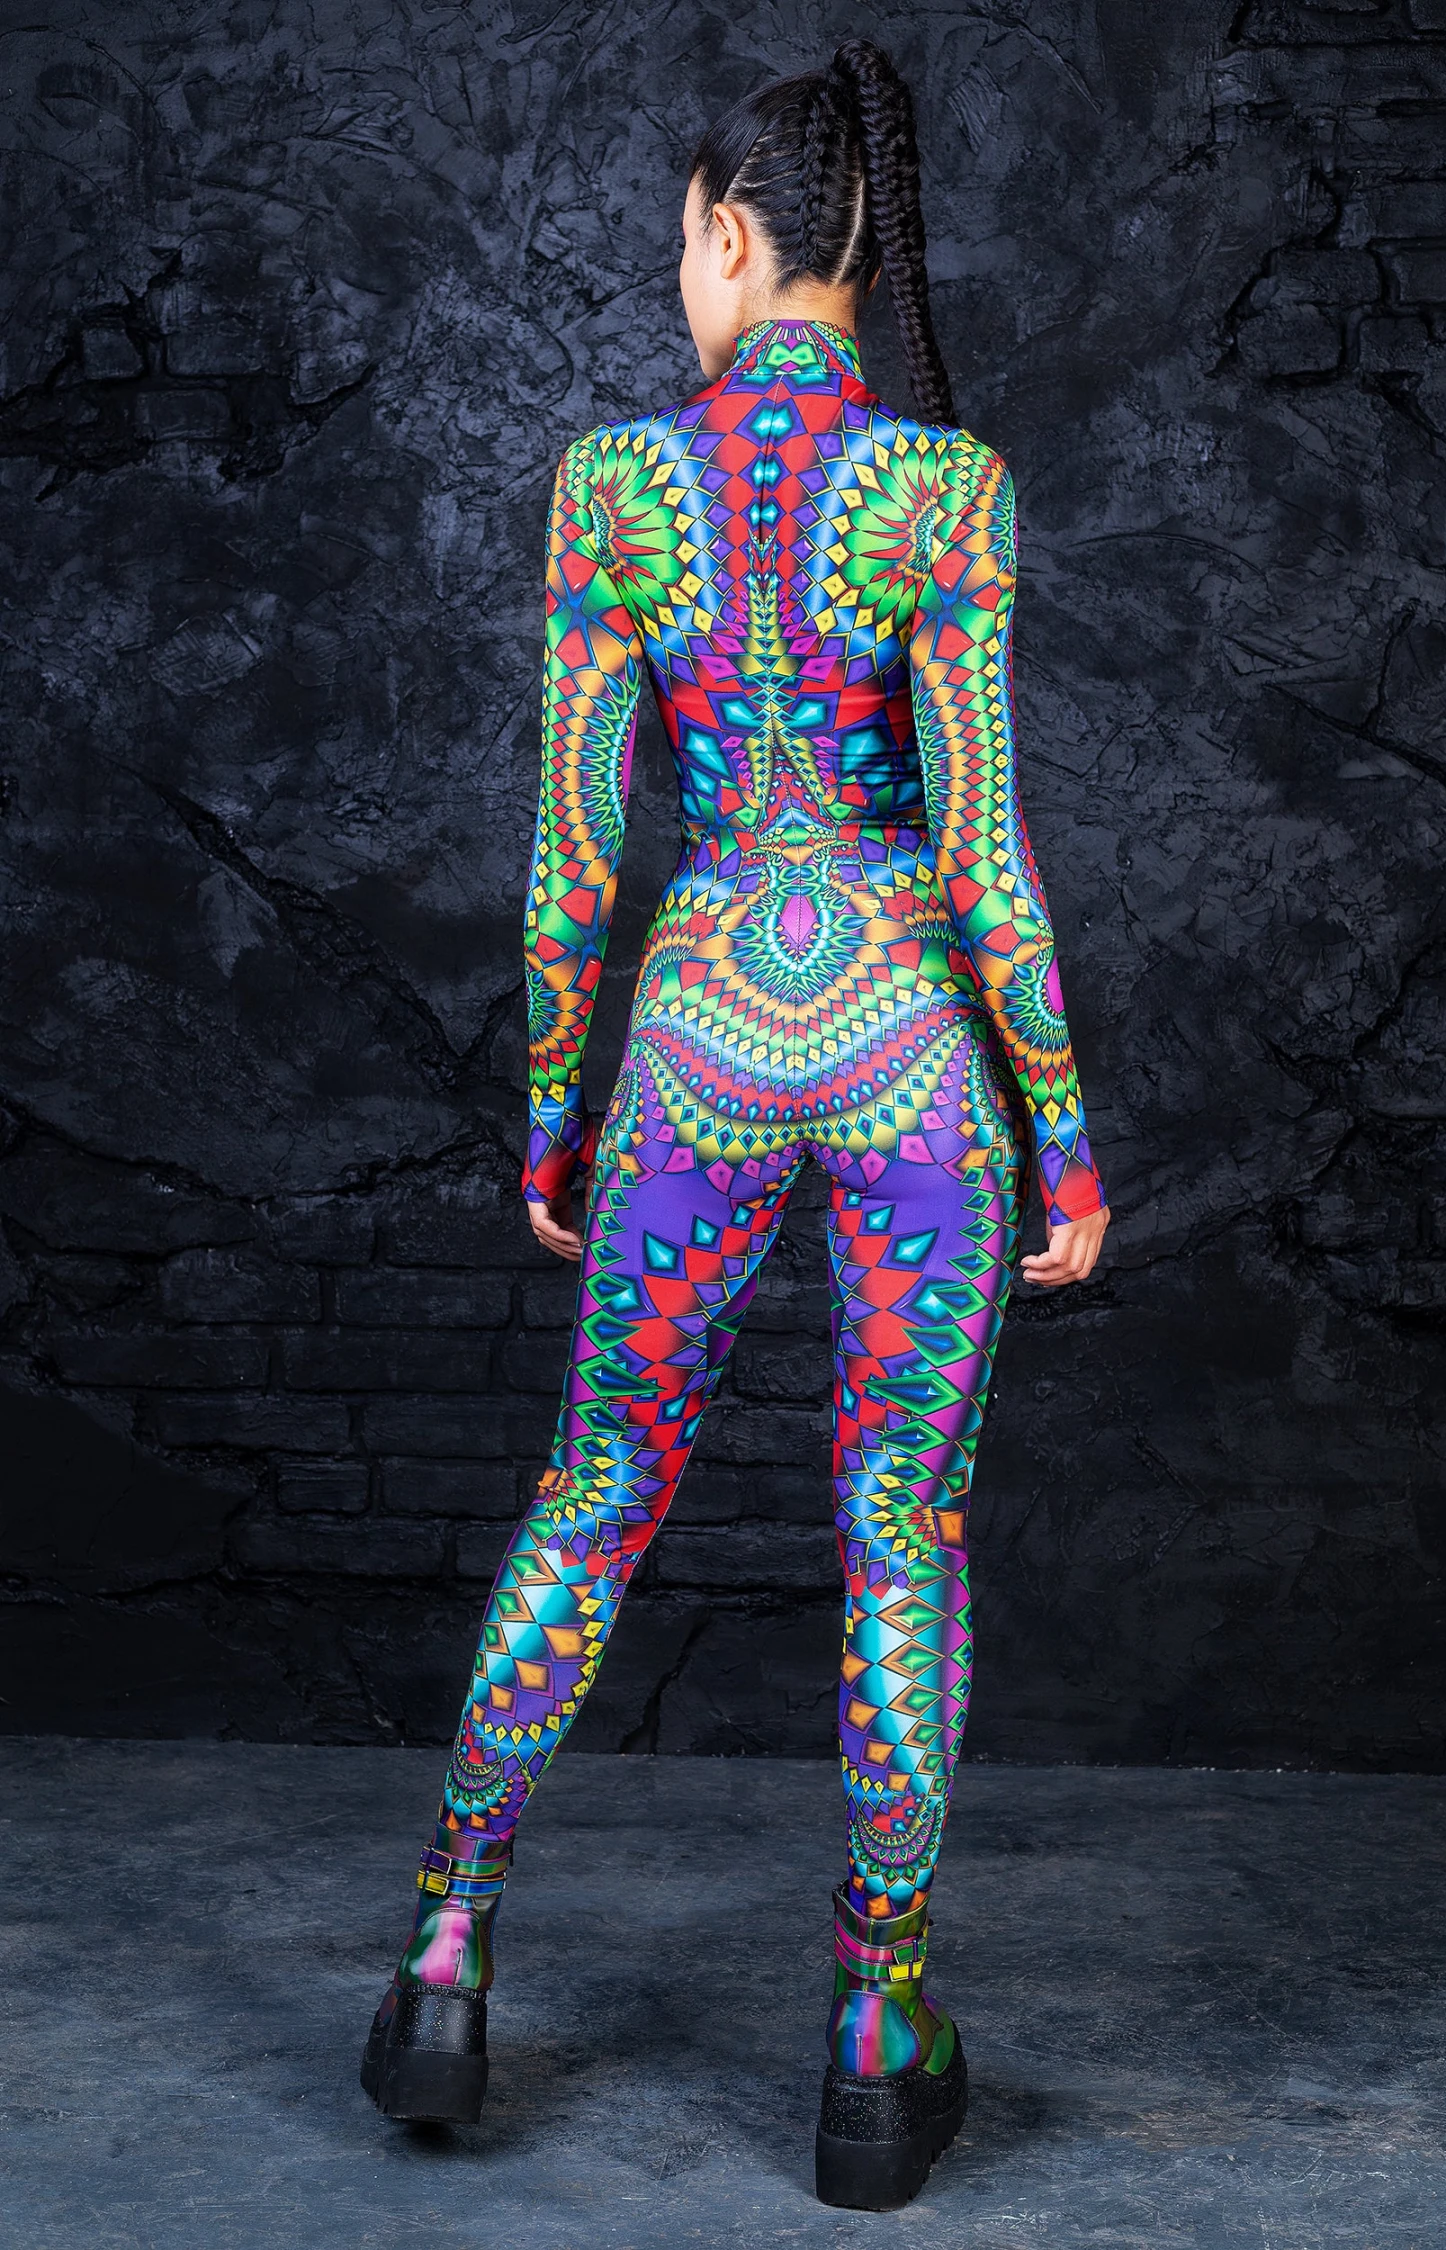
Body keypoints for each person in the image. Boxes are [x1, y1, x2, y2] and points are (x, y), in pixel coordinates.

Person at [361, 38, 1109, 2209]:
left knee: (597, 1494)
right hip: (902, 1051)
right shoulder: (945, 489)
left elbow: (574, 852)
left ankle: (444, 1961)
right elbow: (987, 857)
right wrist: (1063, 1138)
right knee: (901, 1532)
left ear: (727, 232)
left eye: (681, 241)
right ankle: (878, 2031)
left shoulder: (612, 485)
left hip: (694, 1043)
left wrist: (550, 1106)